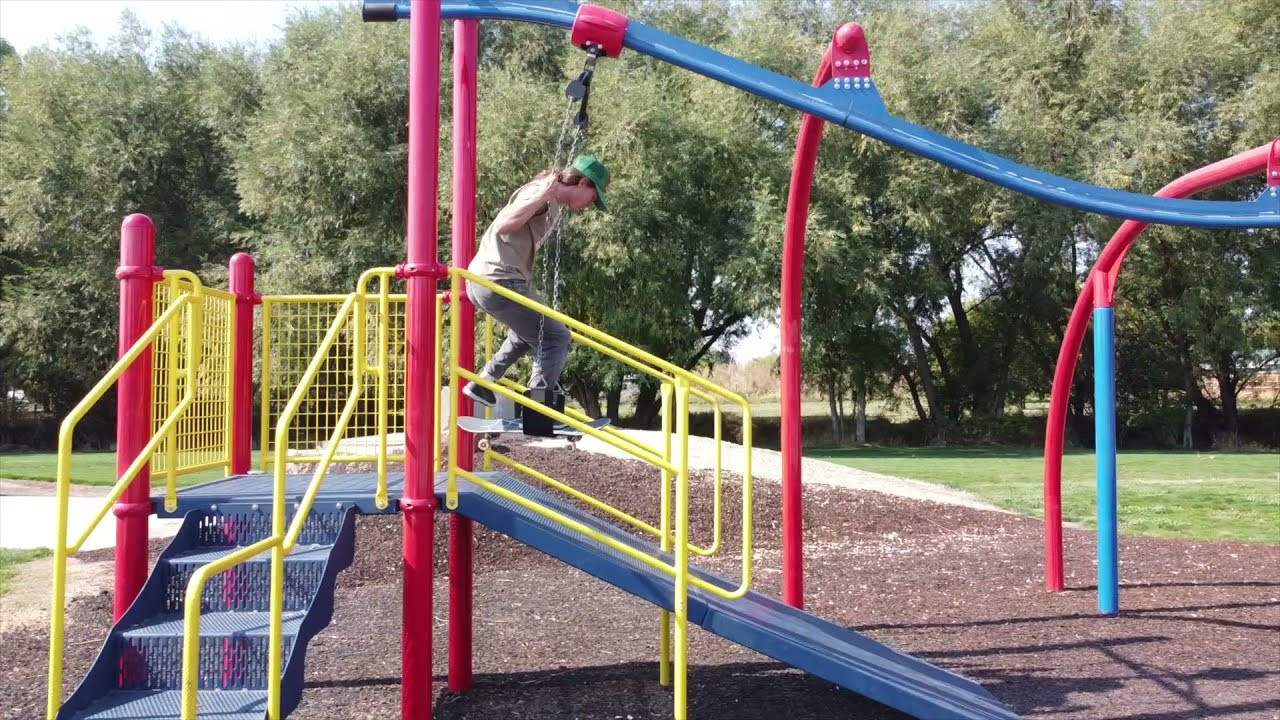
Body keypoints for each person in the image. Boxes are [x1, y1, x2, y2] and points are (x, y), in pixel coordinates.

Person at [462, 154, 610, 408]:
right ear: (583, 182)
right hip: (498, 279)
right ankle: (539, 408)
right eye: (593, 197)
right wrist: (542, 195)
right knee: (557, 337)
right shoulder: (542, 192)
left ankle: (484, 382)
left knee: (529, 332)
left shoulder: (552, 200)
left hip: (486, 281)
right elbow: (503, 225)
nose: (590, 205)